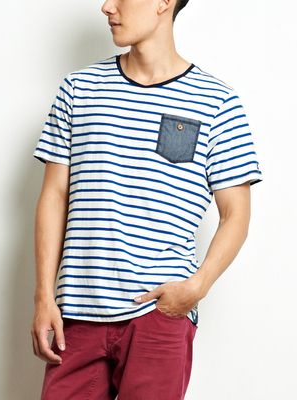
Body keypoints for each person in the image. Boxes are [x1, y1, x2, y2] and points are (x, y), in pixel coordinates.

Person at [31, 0, 262, 399]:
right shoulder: (79, 89)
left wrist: (196, 287)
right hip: (76, 314)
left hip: (159, 314)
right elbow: (54, 194)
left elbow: (235, 214)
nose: (107, 7)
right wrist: (42, 297)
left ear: (163, 2)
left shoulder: (217, 102)